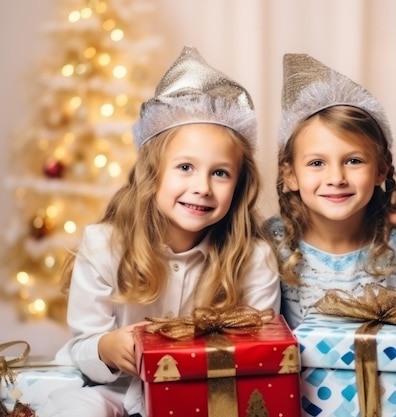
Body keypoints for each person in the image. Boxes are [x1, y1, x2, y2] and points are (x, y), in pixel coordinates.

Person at [38, 46, 280, 417]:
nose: (202, 186)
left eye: (220, 173)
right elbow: (83, 343)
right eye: (185, 167)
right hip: (112, 390)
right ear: (153, 174)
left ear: (238, 185)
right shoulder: (105, 245)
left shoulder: (253, 258)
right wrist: (105, 347)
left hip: (203, 392)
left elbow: (260, 351)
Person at [266, 53, 396, 329]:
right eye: (317, 163)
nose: (336, 178)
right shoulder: (271, 245)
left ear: (381, 170)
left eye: (353, 161)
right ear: (291, 175)